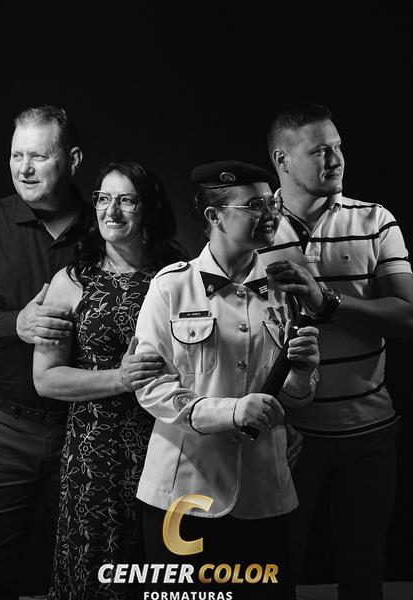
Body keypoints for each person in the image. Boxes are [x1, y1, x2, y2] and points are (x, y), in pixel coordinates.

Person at [133, 161, 322, 599]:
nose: (270, 214)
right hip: (184, 491)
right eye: (254, 205)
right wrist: (231, 412)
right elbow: (151, 386)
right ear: (214, 216)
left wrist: (302, 372)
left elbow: (295, 398)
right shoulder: (171, 286)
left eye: (272, 203)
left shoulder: (284, 290)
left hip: (264, 492)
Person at [263, 102, 413, 600]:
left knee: (364, 572)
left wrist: (326, 302)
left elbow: (407, 317)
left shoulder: (376, 220)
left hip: (368, 433)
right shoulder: (253, 228)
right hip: (286, 436)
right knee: (275, 571)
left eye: (338, 146)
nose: (336, 159)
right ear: (283, 161)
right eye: (319, 150)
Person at [33, 160, 187, 600]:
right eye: (103, 198)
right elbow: (46, 379)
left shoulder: (180, 276)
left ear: (149, 207)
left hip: (169, 444)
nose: (111, 211)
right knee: (95, 573)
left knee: (164, 573)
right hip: (95, 454)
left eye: (126, 200)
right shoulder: (71, 282)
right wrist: (120, 378)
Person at [0, 105, 88, 600]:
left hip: (85, 429)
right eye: (17, 156)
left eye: (39, 156)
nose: (25, 169)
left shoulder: (108, 225)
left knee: (83, 569)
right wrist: (15, 324)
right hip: (1, 430)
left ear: (73, 160)